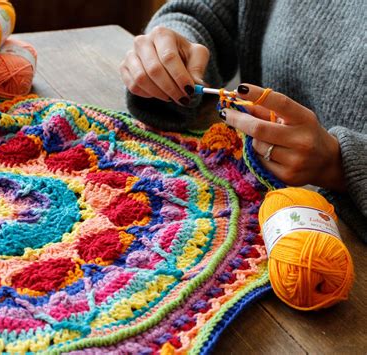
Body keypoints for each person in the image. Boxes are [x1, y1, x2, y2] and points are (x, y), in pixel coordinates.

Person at [120, 0, 366, 241]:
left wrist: (341, 165)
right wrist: (172, 53)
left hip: (332, 243)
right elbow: (202, 13)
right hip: (245, 199)